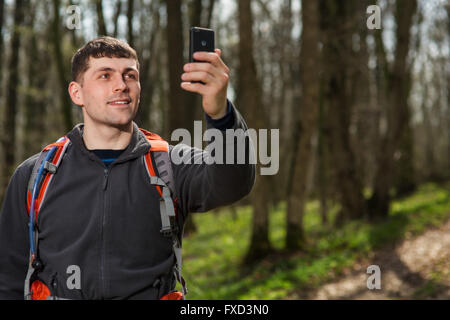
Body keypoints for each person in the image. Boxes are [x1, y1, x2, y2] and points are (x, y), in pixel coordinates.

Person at [0, 36, 255, 299]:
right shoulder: (36, 175)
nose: (121, 85)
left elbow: (233, 183)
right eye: (105, 76)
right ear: (77, 93)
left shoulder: (169, 165)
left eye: (130, 75)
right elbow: (9, 278)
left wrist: (221, 116)